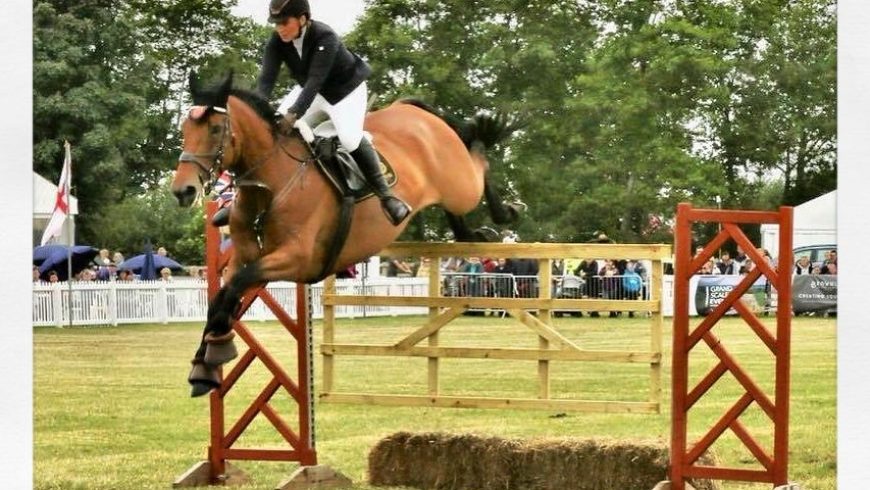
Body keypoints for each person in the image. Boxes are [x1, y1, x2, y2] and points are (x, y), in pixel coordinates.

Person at [212, 0, 411, 228]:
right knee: (272, 131)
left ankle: (387, 197)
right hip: (312, 91)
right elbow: (266, 82)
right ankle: (241, 200)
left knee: (349, 138)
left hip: (345, 92)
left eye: (284, 22)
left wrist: (294, 114)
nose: (279, 28)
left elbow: (315, 81)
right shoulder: (276, 42)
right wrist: (257, 112)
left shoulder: (325, 37)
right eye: (276, 23)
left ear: (303, 18)